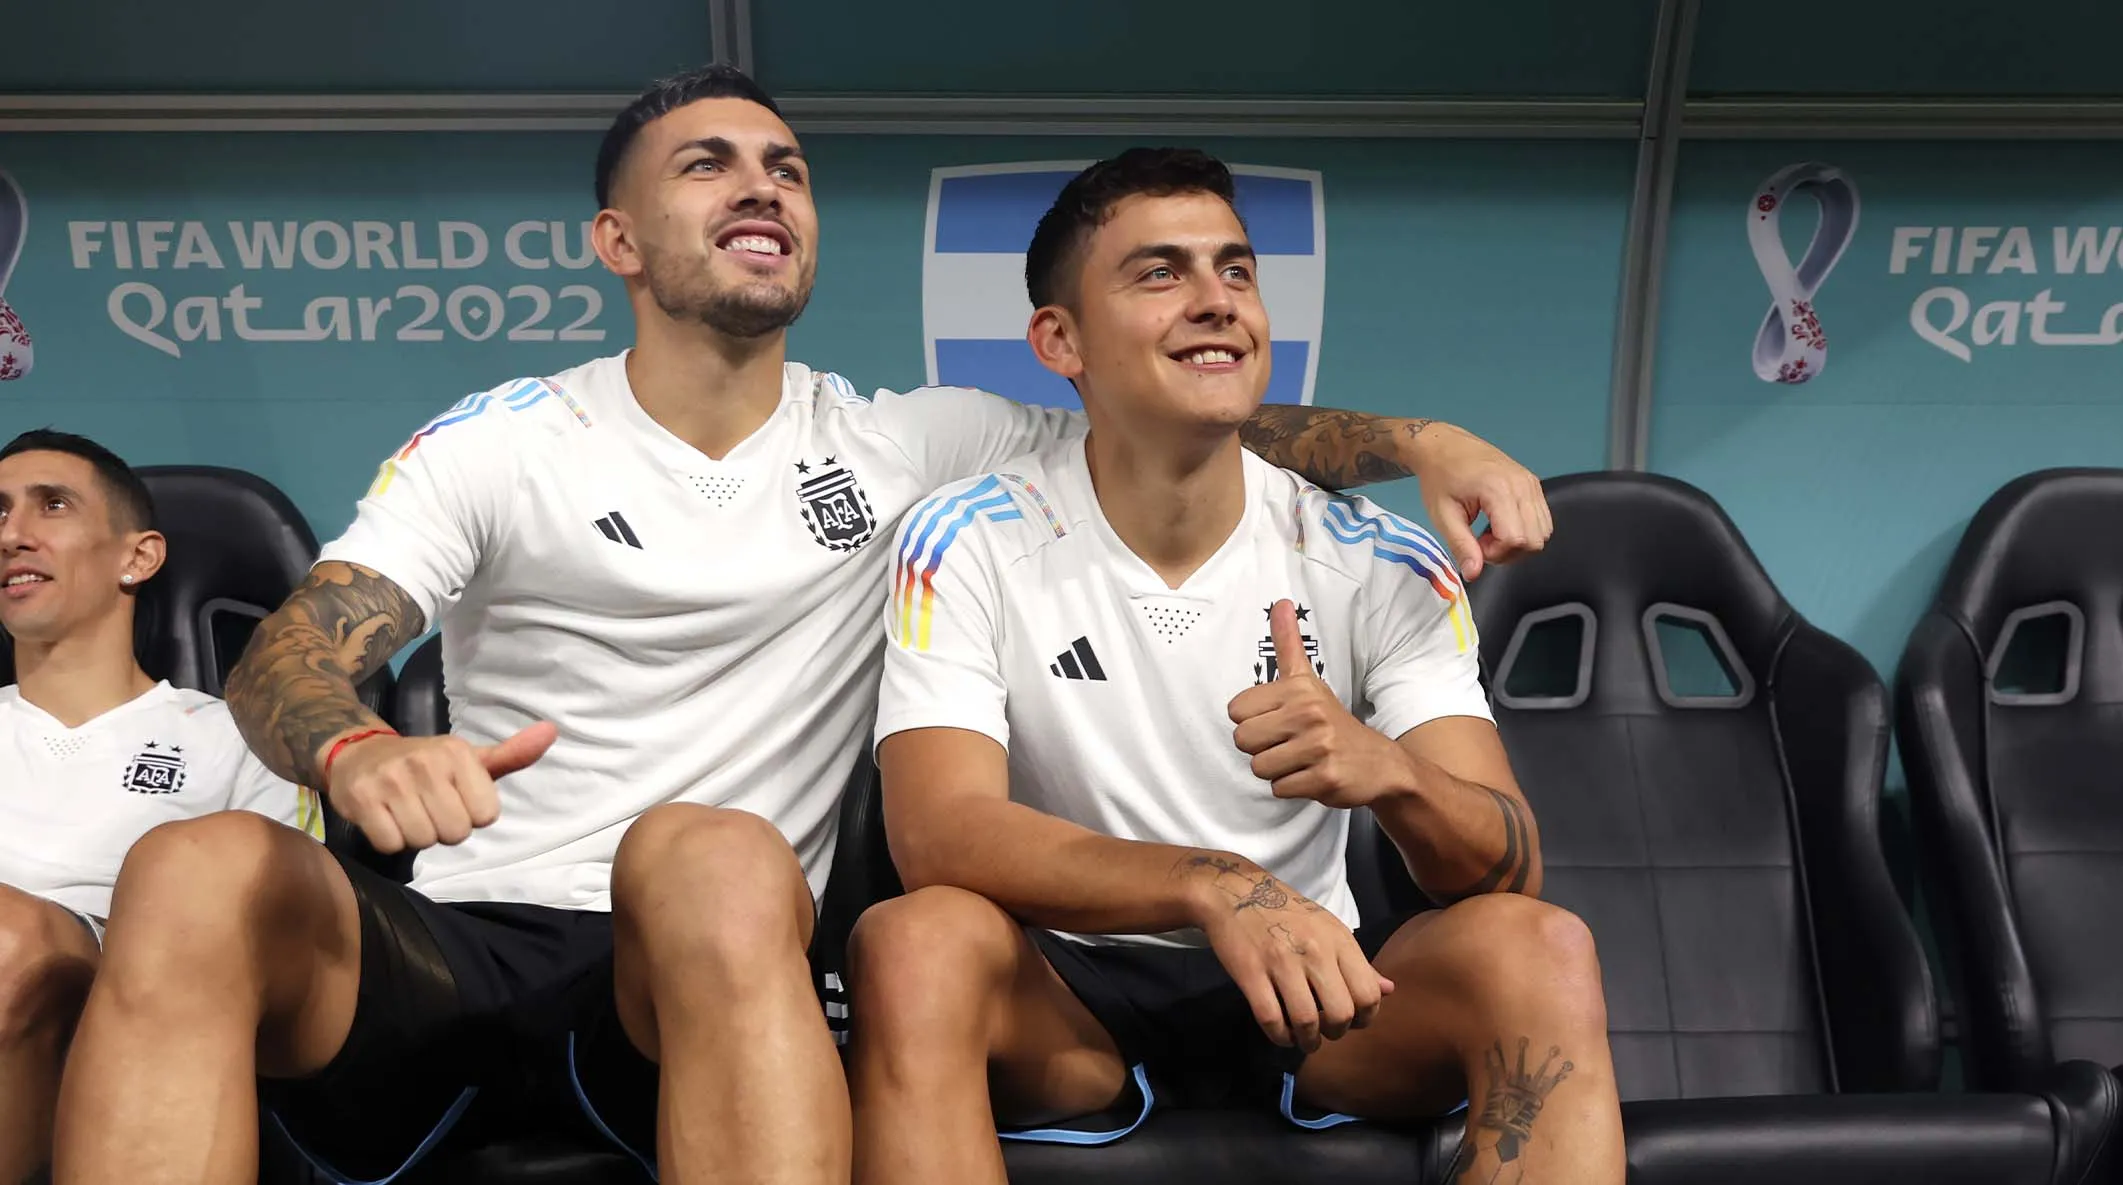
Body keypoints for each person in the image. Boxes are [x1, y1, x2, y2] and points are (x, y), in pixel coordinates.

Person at [55, 69, 1554, 1185]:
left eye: (785, 167)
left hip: (707, 955)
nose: (759, 186)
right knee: (191, 865)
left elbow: (1173, 408)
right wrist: (361, 747)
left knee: (709, 853)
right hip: (465, 934)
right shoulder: (503, 439)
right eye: (706, 165)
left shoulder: (910, 443)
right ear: (617, 239)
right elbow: (292, 653)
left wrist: (1417, 440)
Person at [847, 148, 1625, 1185]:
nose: (1215, 300)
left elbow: (1504, 868)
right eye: (1158, 273)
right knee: (915, 941)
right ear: (1059, 339)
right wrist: (1213, 882)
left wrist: (1391, 773)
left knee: (1539, 948)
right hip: (1069, 992)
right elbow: (938, 834)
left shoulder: (1378, 558)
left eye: (1236, 271)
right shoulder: (968, 534)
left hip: (1316, 996)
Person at [0, 430, 318, 1185]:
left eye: (52, 505)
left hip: (135, 1011)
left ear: (138, 557)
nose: (12, 534)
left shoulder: (238, 739)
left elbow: (283, 945)